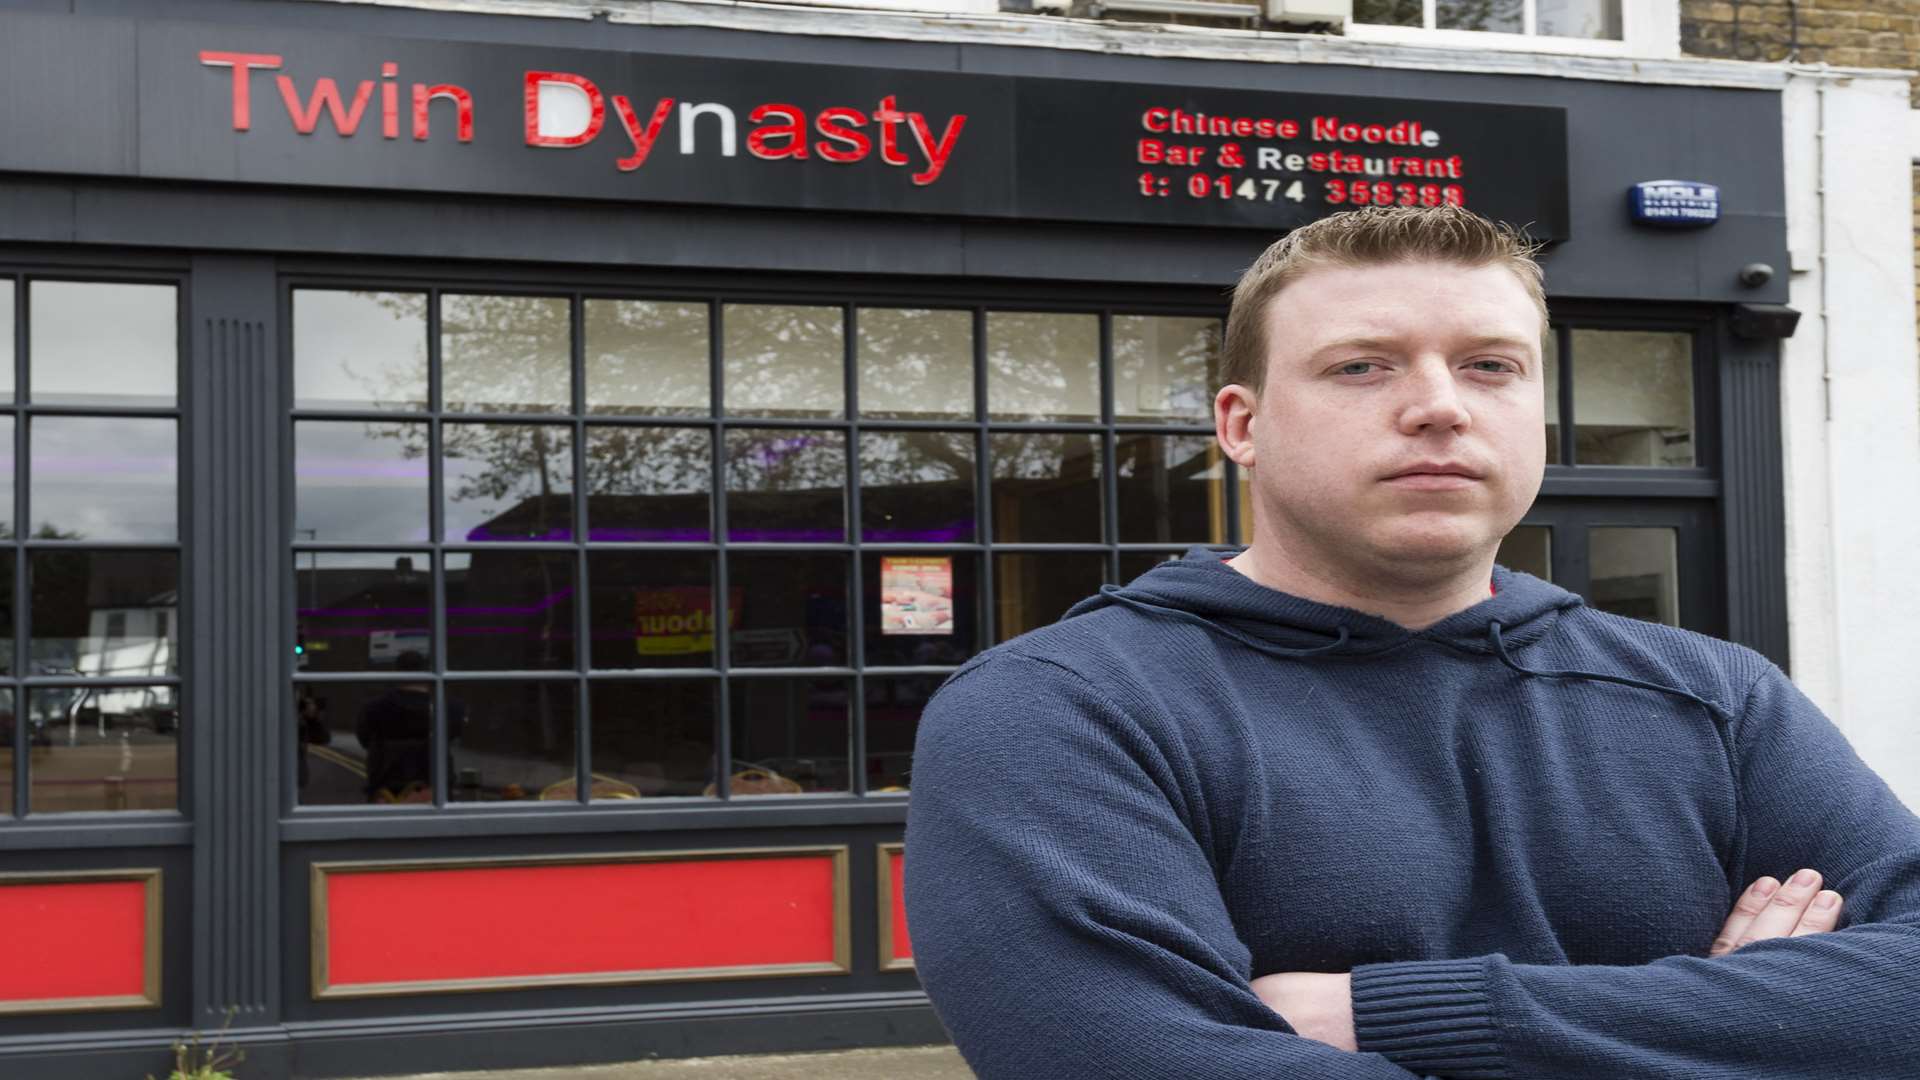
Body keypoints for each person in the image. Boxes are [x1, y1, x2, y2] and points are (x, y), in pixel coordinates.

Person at [903, 206, 1920, 1078]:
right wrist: (1735, 1024)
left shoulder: (1715, 697)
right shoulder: (1058, 710)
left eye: (1490, 366)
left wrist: (1400, 1014)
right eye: (1361, 366)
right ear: (1241, 424)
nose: (1439, 405)